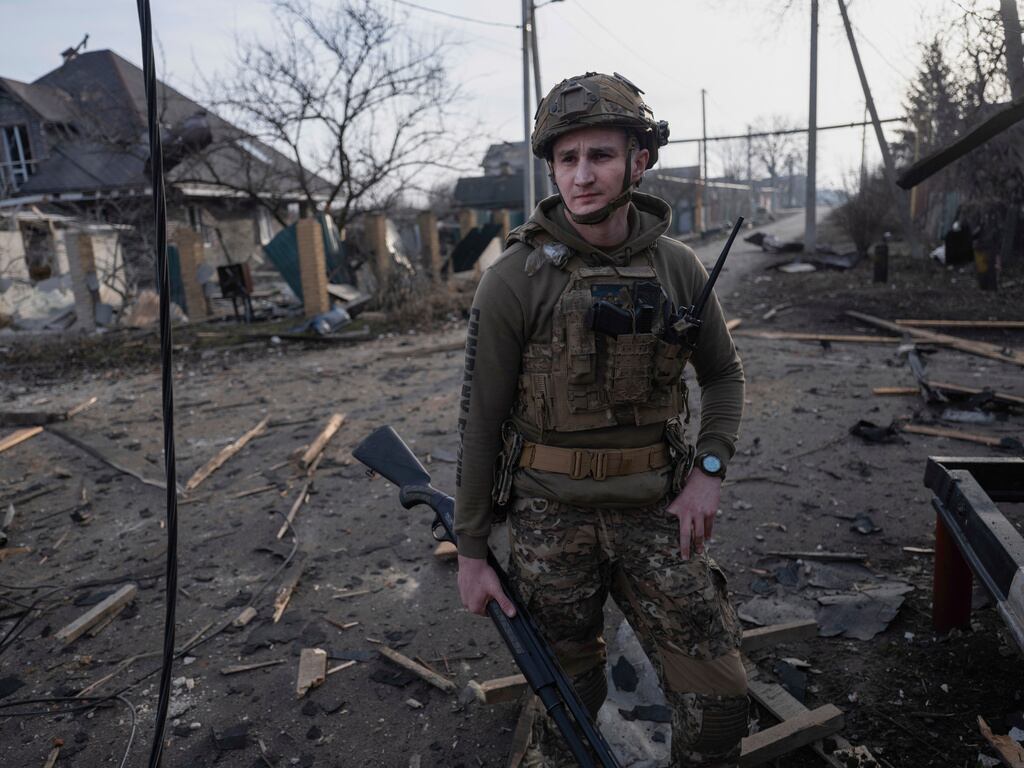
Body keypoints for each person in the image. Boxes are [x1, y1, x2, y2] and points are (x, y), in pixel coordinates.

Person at [454, 72, 747, 767]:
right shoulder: (513, 279)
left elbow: (724, 375)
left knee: (720, 712)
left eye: (601, 156)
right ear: (551, 169)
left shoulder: (678, 268)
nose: (582, 176)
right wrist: (470, 551)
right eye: (567, 159)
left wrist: (707, 471)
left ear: (637, 161)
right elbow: (480, 420)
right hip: (550, 523)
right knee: (565, 714)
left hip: (657, 511)